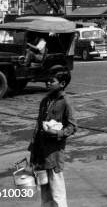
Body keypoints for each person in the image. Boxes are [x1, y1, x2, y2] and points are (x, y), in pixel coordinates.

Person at [28, 72, 76, 207]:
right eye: (47, 81)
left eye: (52, 81)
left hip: (54, 154)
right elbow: (38, 126)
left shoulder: (65, 102)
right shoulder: (45, 101)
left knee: (57, 193)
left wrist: (57, 133)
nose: (48, 83)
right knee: (44, 192)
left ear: (62, 84)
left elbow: (72, 126)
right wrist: (33, 152)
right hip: (41, 153)